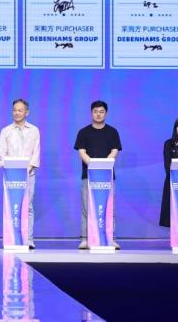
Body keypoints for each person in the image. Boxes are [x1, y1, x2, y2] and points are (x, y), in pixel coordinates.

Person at [74, 100, 122, 250]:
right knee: (86, 208)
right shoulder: (83, 132)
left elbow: (115, 150)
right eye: (95, 111)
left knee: (109, 208)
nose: (98, 114)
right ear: (91, 113)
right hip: (88, 175)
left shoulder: (112, 132)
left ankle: (110, 238)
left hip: (107, 176)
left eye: (101, 112)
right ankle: (85, 239)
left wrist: (104, 164)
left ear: (106, 113)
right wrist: (93, 165)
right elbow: (81, 152)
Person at [0, 99, 40, 249]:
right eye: (15, 110)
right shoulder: (6, 131)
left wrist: (26, 169)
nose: (17, 113)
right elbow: (2, 155)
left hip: (28, 175)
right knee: (12, 206)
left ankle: (28, 240)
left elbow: (36, 154)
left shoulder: (34, 130)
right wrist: (13, 168)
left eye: (20, 110)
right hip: (11, 176)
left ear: (26, 112)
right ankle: (11, 238)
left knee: (27, 206)